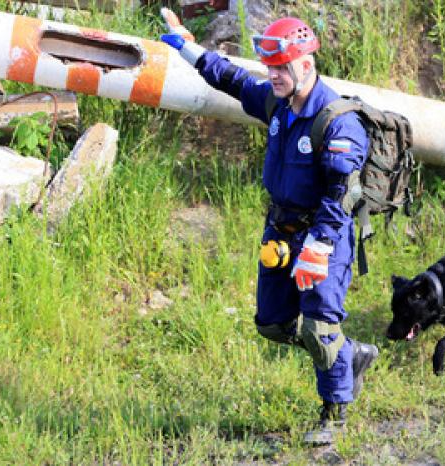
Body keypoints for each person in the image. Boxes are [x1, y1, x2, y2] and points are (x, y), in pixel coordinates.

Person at [160, 12, 379, 445]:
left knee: (319, 328)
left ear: (307, 66)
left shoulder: (338, 121)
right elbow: (231, 79)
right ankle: (347, 354)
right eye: (270, 67)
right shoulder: (277, 102)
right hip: (280, 231)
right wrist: (188, 47)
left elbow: (342, 194)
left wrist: (318, 246)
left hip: (323, 235)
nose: (273, 75)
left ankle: (333, 416)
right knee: (272, 324)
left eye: (281, 68)